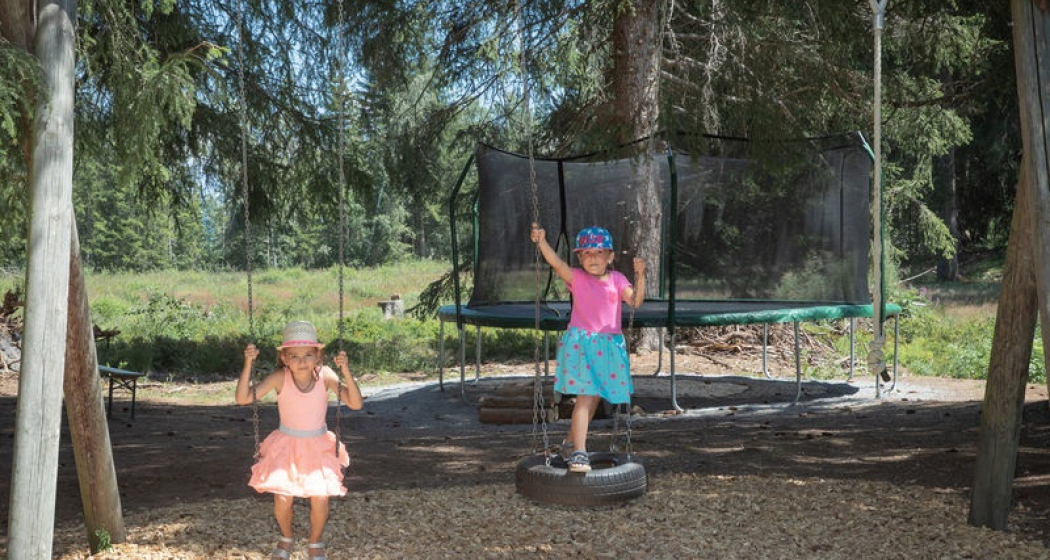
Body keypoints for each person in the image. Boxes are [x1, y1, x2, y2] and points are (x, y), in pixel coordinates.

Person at [236, 320, 364, 560]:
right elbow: (243, 398)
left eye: (308, 355)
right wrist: (248, 363)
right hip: (286, 444)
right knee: (283, 496)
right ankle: (286, 537)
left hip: (317, 444)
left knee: (320, 496)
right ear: (284, 358)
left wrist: (345, 370)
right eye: (294, 356)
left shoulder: (325, 375)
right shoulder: (279, 377)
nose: (302, 361)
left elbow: (355, 403)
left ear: (318, 356)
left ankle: (315, 541)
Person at [530, 223, 645, 473]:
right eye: (587, 253)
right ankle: (579, 454)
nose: (593, 258)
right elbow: (556, 263)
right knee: (585, 397)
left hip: (608, 345)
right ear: (580, 257)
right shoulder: (578, 278)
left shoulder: (616, 279)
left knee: (593, 399)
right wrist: (542, 243)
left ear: (610, 256)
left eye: (599, 252)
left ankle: (569, 443)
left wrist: (641, 275)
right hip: (582, 344)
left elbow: (635, 301)